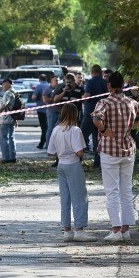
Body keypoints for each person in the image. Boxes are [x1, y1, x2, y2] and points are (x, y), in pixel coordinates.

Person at [92, 71, 139, 242]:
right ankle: (126, 230)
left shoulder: (104, 102)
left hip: (109, 150)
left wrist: (104, 130)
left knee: (112, 191)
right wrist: (134, 124)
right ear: (122, 86)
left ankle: (116, 230)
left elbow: (96, 119)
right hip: (128, 150)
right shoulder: (132, 102)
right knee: (126, 190)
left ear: (109, 86)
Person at [48, 103, 97, 242]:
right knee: (80, 197)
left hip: (61, 164)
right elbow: (79, 151)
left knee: (65, 198)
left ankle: (67, 230)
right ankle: (80, 230)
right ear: (75, 114)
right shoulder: (75, 130)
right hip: (73, 164)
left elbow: (50, 152)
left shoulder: (56, 129)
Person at [81, 65, 108, 166]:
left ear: (92, 72)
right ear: (100, 72)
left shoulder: (90, 82)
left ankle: (76, 159)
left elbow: (87, 97)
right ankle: (98, 162)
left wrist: (82, 97)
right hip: (102, 114)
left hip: (90, 113)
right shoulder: (105, 82)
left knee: (81, 135)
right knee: (98, 139)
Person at [0, 78, 17, 164]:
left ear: (8, 83)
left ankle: (6, 157)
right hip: (12, 118)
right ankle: (12, 157)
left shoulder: (8, 93)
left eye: (3, 84)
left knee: (3, 138)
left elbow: (5, 104)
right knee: (11, 138)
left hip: (5, 119)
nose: (2, 86)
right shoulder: (14, 92)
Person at [32, 74, 49, 149]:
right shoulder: (49, 86)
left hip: (41, 110)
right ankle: (48, 144)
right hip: (49, 109)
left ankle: (42, 144)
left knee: (44, 128)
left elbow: (34, 97)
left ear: (39, 79)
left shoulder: (39, 86)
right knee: (49, 127)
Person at [43, 75, 60, 146]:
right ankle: (48, 145)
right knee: (51, 128)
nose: (57, 82)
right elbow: (45, 100)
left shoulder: (59, 89)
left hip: (59, 111)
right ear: (51, 81)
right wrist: (55, 99)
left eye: (58, 80)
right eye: (56, 80)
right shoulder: (47, 90)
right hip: (51, 111)